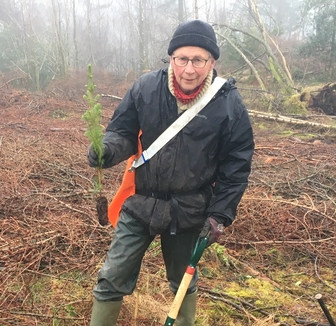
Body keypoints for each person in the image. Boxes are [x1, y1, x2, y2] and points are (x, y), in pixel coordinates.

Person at [87, 19, 254, 326]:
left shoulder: (228, 102)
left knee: (184, 280)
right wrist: (107, 150)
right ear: (171, 58)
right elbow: (122, 132)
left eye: (198, 60)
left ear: (212, 61)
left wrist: (219, 215)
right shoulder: (145, 88)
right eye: (182, 59)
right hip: (141, 202)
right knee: (111, 277)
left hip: (189, 209)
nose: (189, 69)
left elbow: (237, 164)